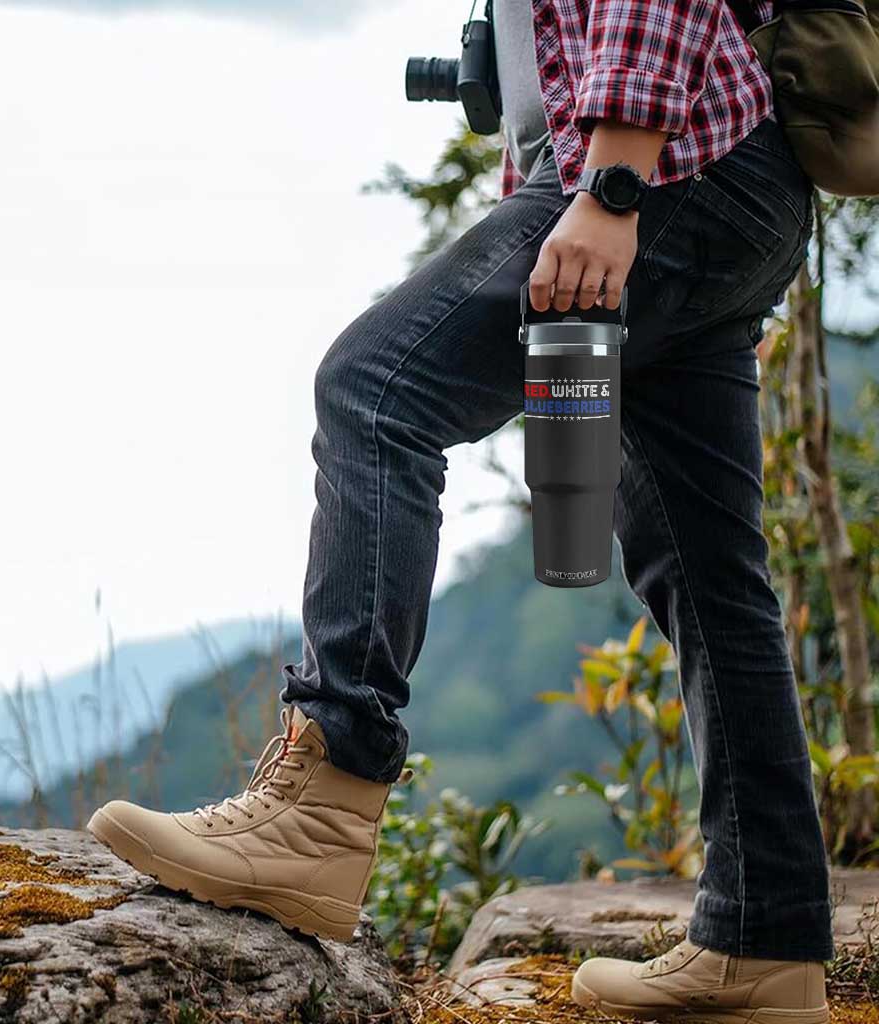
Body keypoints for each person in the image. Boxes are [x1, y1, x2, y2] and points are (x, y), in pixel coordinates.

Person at [89, 0, 834, 1017]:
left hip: (663, 170)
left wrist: (612, 185)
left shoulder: (629, 174)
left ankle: (322, 805)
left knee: (375, 389)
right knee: (705, 568)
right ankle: (765, 939)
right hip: (727, 182)